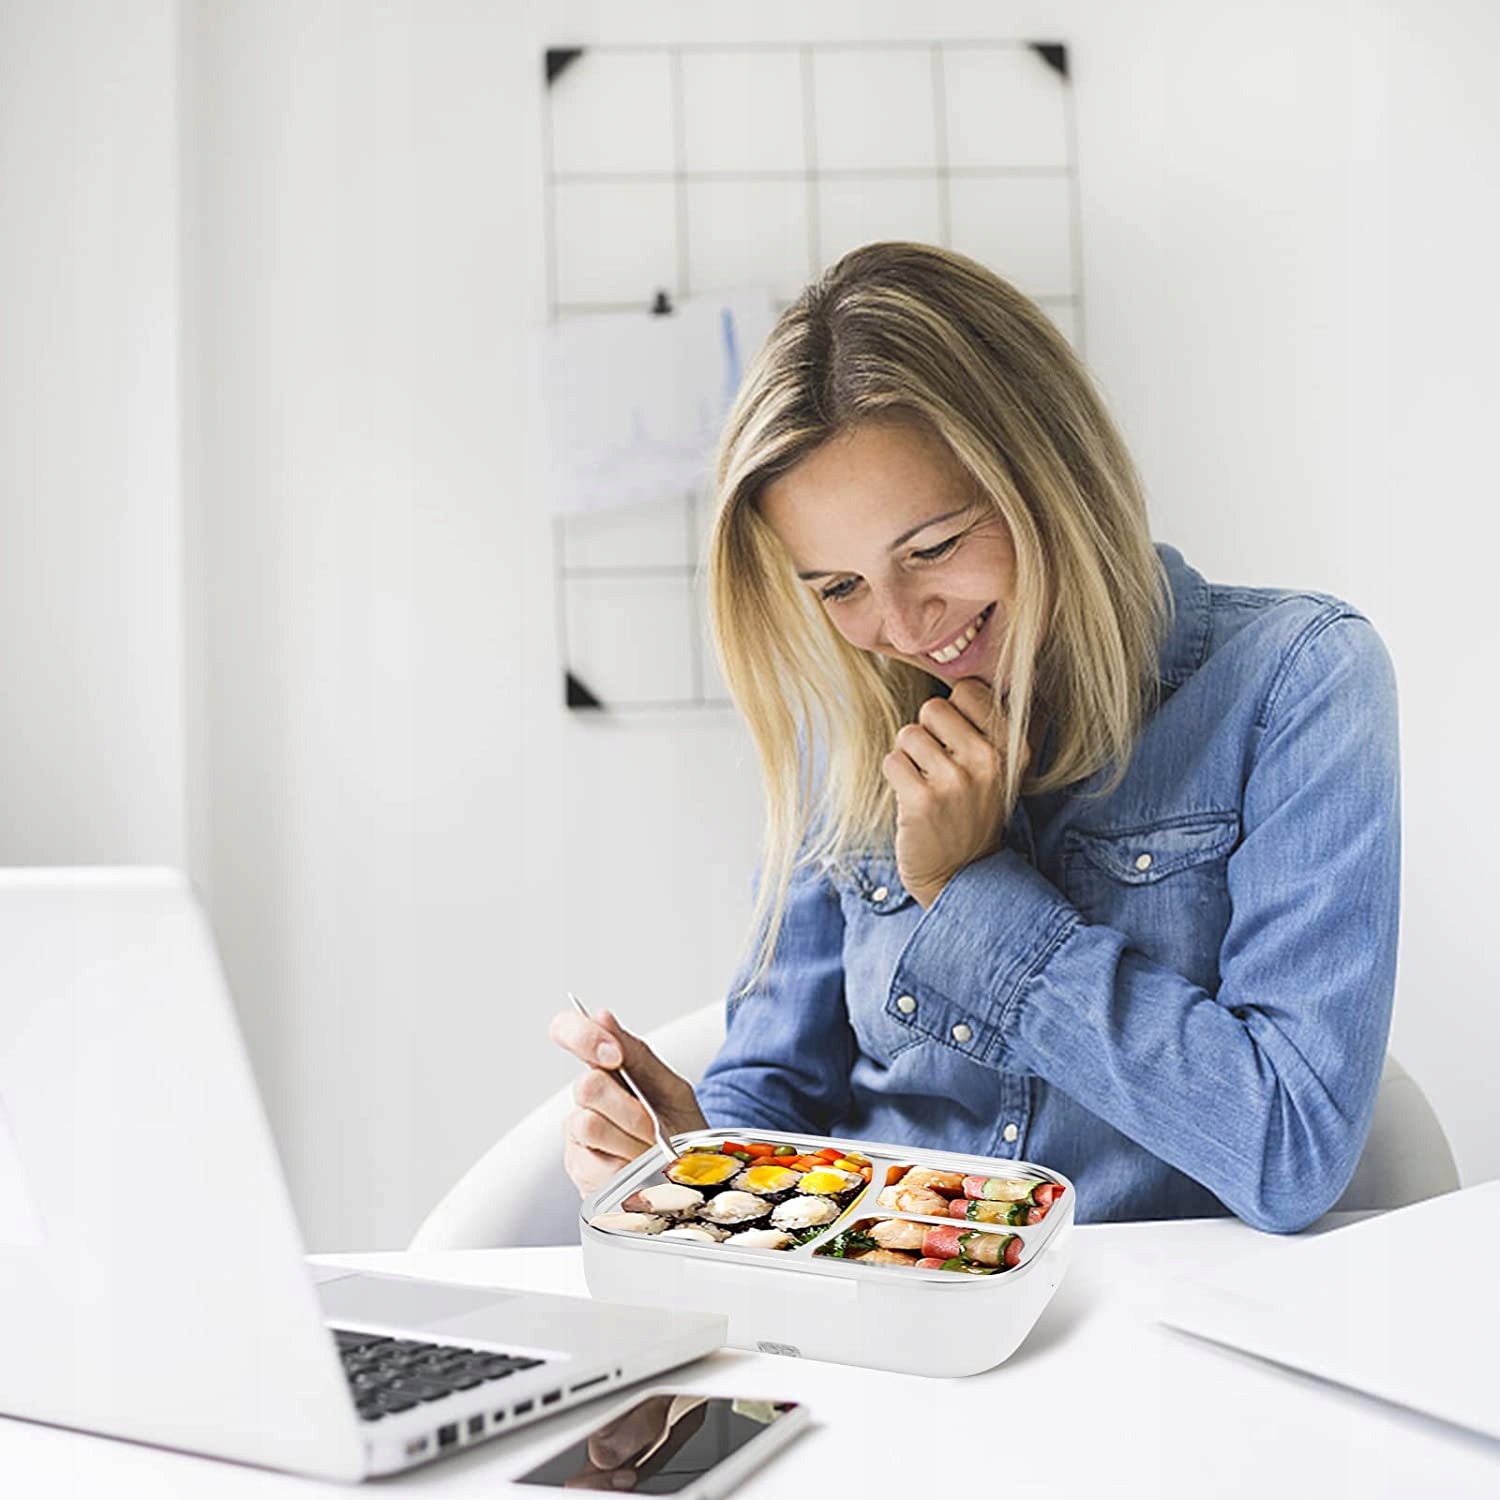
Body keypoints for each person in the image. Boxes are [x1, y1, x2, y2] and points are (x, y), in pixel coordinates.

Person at [550, 242, 1400, 1232]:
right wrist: (696, 1160)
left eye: (936, 546)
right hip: (884, 1334)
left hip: (1169, 1348)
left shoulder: (1298, 681)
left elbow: (1291, 1151)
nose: (905, 626)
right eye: (840, 587)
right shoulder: (851, 724)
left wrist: (973, 894)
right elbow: (774, 1098)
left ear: (1053, 474)